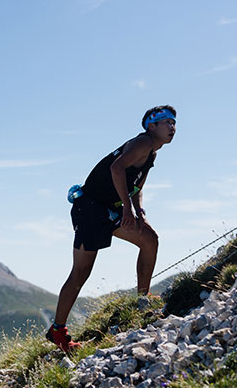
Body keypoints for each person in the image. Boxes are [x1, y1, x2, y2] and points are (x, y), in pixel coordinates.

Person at [46, 105, 177, 352]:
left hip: (111, 209)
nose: (172, 127)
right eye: (166, 122)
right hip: (91, 209)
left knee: (150, 240)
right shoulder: (143, 143)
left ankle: (143, 299)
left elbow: (136, 188)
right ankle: (57, 331)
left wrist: (140, 213)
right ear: (151, 126)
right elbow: (115, 168)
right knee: (80, 273)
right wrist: (127, 209)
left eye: (173, 122)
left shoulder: (152, 154)